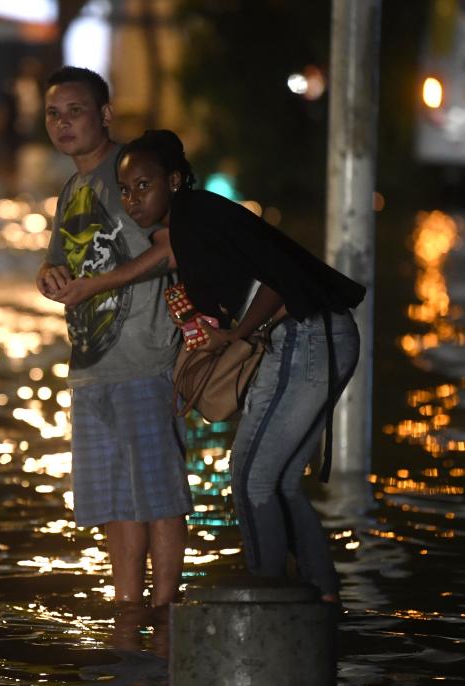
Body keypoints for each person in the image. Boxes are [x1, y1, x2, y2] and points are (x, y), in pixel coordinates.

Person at [65, 129, 365, 604]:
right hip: (320, 335)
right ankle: (322, 596)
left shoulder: (195, 218)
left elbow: (277, 282)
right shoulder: (194, 220)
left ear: (175, 180)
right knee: (277, 479)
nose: (133, 198)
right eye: (125, 190)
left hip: (307, 335)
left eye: (145, 185)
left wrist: (239, 333)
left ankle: (267, 599)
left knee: (252, 477)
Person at [35, 67, 191, 611]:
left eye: (75, 111)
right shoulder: (73, 187)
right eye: (53, 113)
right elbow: (60, 258)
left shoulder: (133, 168)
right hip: (91, 365)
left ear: (104, 114)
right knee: (113, 503)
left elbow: (174, 247)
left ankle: (165, 615)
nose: (63, 123)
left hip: (146, 359)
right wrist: (48, 275)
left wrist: (98, 283)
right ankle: (127, 613)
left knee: (159, 496)